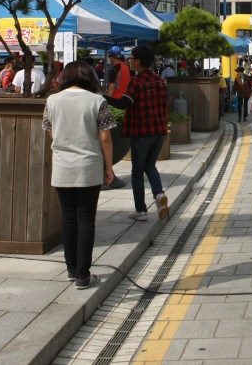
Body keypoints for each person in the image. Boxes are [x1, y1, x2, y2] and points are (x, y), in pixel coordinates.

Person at [42, 60, 116, 289]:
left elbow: (50, 132)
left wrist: (65, 145)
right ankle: (84, 274)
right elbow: (105, 137)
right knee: (86, 219)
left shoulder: (52, 100)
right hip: (89, 165)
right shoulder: (97, 101)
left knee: (68, 217)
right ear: (89, 76)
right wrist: (109, 167)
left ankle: (72, 270)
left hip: (62, 166)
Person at [106, 46, 170, 222]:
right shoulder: (159, 80)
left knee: (137, 171)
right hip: (159, 132)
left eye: (132, 58)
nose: (129, 60)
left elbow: (124, 104)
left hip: (142, 133)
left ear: (139, 61)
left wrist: (102, 98)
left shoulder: (137, 82)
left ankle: (140, 210)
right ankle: (158, 194)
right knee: (150, 166)